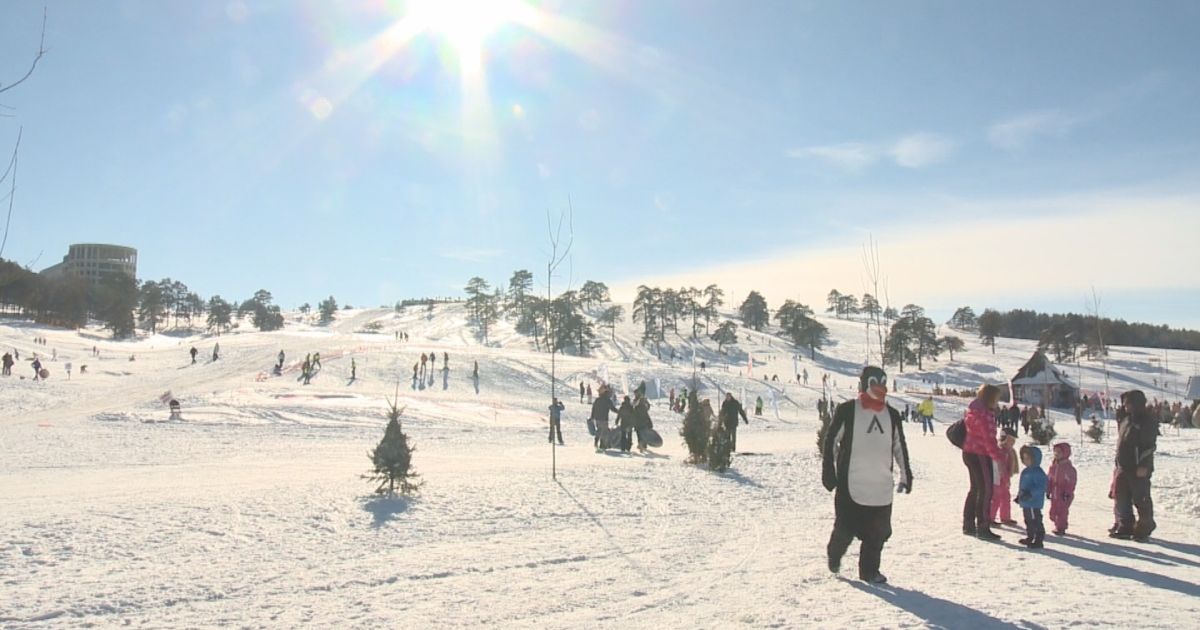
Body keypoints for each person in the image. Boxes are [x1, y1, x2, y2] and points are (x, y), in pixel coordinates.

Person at [822, 366, 913, 584]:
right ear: (864, 384)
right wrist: (829, 469)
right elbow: (831, 440)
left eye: (883, 383)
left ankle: (869, 570)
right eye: (874, 382)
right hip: (851, 483)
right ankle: (834, 554)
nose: (879, 387)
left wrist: (905, 474)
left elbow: (899, 446)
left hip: (881, 485)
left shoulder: (891, 415)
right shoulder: (847, 410)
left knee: (879, 532)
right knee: (845, 529)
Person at [1111, 390, 1157, 540]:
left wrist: (1144, 464)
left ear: (1136, 404)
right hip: (1124, 465)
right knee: (1121, 496)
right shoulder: (1127, 420)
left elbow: (1149, 446)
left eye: (1127, 404)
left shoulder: (1145, 421)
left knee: (1140, 498)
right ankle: (1125, 525)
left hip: (1138, 467)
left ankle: (1145, 525)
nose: (1125, 406)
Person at [962, 384, 1005, 540]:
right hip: (979, 454)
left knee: (975, 488)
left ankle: (968, 524)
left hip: (969, 452)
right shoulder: (984, 414)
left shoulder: (973, 411)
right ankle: (983, 526)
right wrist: (998, 458)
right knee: (986, 490)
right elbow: (989, 440)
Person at [1016, 445, 1048, 549]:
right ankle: (1030, 536)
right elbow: (1022, 485)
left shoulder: (1038, 472)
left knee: (1036, 520)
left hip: (1034, 502)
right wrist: (1019, 496)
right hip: (1026, 502)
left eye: (1028, 459)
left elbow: (1041, 487)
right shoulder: (1025, 471)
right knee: (1028, 520)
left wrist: (1030, 494)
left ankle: (1039, 539)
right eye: (1024, 458)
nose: (1026, 461)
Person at [989, 430, 1020, 527]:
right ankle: (990, 518)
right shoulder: (1001, 451)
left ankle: (1005, 517)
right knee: (996, 498)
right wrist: (1006, 479)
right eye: (1011, 440)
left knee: (1005, 497)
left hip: (1003, 478)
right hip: (998, 479)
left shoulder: (1008, 451)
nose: (1013, 443)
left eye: (1014, 441)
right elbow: (1001, 467)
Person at [1047, 442, 1077, 535]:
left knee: (1062, 511)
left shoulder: (1068, 468)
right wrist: (1048, 490)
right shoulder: (1053, 466)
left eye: (1059, 452)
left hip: (1063, 494)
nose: (1056, 454)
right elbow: (1049, 479)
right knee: (1053, 511)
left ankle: (1061, 527)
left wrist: (1067, 492)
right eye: (1055, 452)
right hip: (1054, 493)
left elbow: (1071, 482)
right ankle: (1057, 523)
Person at [590, 384, 619, 451]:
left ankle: (596, 441)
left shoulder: (598, 399)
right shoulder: (607, 400)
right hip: (604, 419)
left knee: (599, 430)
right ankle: (602, 446)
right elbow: (612, 408)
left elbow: (593, 408)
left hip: (597, 418)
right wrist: (619, 412)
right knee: (604, 432)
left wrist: (592, 416)